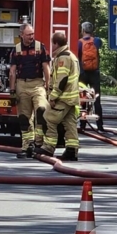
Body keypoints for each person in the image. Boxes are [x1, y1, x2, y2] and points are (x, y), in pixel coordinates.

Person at [8, 23, 51, 158]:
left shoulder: (40, 47)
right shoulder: (16, 50)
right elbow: (12, 72)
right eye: (28, 34)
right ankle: (27, 145)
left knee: (42, 110)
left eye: (32, 34)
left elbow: (46, 68)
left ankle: (39, 144)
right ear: (21, 35)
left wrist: (48, 86)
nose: (31, 37)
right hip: (22, 84)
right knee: (24, 118)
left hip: (38, 84)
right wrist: (12, 90)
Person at [41, 31, 81, 161]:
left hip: (63, 97)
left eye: (52, 43)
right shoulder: (71, 56)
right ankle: (71, 150)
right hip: (71, 98)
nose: (51, 46)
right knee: (70, 124)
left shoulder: (63, 58)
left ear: (56, 44)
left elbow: (62, 80)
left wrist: (53, 97)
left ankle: (48, 148)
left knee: (49, 118)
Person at [77, 21, 104, 131]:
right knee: (97, 100)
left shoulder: (79, 42)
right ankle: (100, 125)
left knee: (83, 99)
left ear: (83, 30)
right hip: (95, 73)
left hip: (83, 74)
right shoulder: (97, 41)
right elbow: (100, 46)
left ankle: (82, 125)